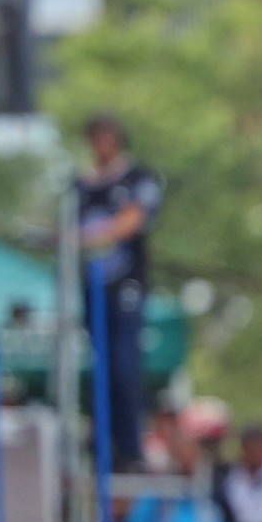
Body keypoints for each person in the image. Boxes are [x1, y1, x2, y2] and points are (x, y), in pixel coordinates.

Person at [72, 113, 162, 469]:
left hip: (126, 286)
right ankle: (101, 441)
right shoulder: (79, 184)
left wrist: (92, 237)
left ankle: (129, 446)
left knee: (125, 366)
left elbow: (133, 220)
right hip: (92, 287)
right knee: (100, 367)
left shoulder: (139, 178)